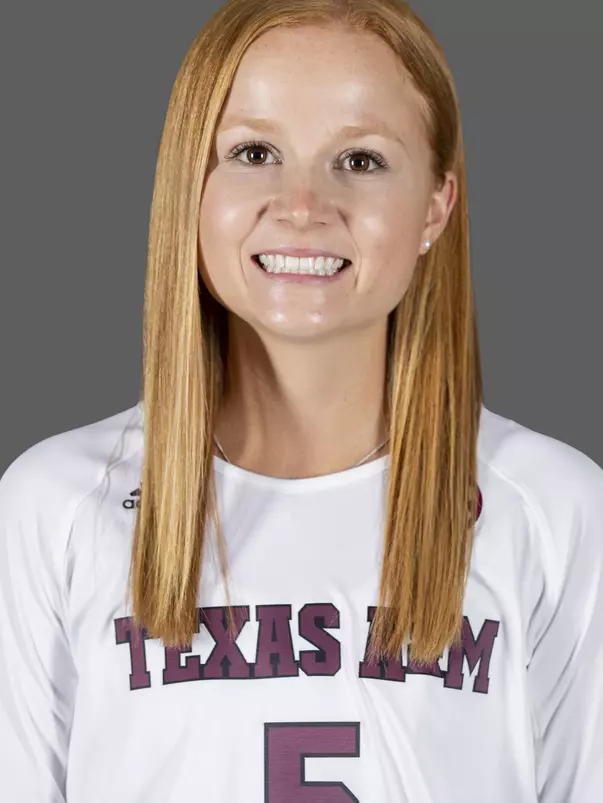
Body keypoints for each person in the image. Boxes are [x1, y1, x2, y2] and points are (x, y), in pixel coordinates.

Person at [1, 0, 602, 800]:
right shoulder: (57, 505)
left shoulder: (554, 509)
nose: (301, 206)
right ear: (190, 186)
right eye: (253, 152)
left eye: (360, 160)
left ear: (435, 205)